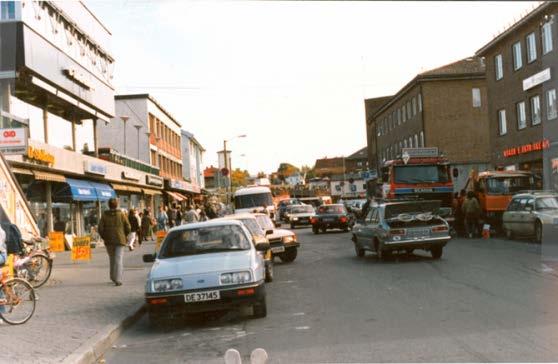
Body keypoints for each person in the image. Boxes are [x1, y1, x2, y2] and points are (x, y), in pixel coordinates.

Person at [98, 198, 131, 286]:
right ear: (117, 205)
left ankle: (112, 277)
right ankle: (118, 279)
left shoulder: (104, 215)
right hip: (120, 240)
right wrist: (124, 235)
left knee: (112, 258)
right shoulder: (121, 214)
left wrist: (104, 237)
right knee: (118, 259)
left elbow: (100, 228)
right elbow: (128, 227)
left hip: (108, 240)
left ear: (109, 205)